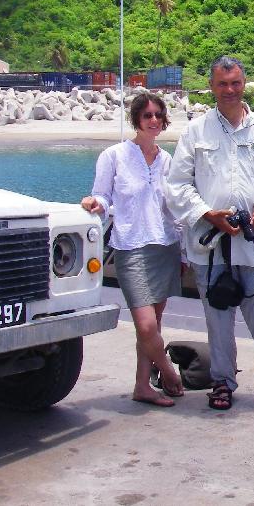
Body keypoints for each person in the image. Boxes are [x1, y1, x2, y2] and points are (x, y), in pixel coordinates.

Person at [165, 56, 254, 412]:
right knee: (218, 321)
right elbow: (177, 185)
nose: (229, 90)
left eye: (235, 83)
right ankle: (221, 382)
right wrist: (208, 214)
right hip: (212, 249)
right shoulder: (196, 131)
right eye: (222, 84)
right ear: (212, 86)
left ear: (244, 84)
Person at [81, 92, 184, 407]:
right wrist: (95, 204)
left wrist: (183, 252)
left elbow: (174, 208)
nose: (153, 120)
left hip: (164, 246)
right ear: (136, 120)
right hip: (130, 247)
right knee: (146, 325)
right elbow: (103, 196)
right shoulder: (114, 156)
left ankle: (142, 386)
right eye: (147, 115)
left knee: (155, 324)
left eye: (158, 115)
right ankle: (167, 371)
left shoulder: (168, 160)